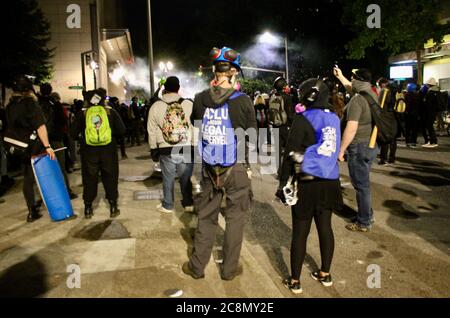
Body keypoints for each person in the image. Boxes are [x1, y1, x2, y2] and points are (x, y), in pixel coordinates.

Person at [183, 47, 257, 280]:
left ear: (213, 72)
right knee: (235, 220)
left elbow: (195, 131)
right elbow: (252, 139)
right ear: (234, 73)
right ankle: (228, 270)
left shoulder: (200, 99)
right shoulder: (244, 101)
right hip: (236, 168)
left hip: (208, 167)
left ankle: (197, 267)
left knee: (206, 217)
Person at [276, 78, 343, 294]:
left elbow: (290, 154)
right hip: (330, 180)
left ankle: (295, 280)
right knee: (325, 227)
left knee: (300, 232)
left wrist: (282, 182)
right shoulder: (334, 118)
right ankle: (325, 273)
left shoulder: (303, 118)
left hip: (307, 181)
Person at [4, 75, 55, 222]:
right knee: (43, 174)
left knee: (27, 177)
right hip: (34, 145)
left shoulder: (10, 105)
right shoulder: (30, 103)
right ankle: (51, 202)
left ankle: (31, 209)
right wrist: (48, 146)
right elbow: (40, 126)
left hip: (18, 146)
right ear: (29, 89)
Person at [334, 67, 378, 232]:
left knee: (361, 185)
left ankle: (364, 222)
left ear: (358, 80)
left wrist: (341, 149)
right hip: (371, 145)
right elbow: (351, 88)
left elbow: (351, 128)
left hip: (359, 146)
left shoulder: (357, 101)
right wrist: (341, 76)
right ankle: (367, 214)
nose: (350, 81)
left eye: (352, 78)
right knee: (364, 182)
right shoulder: (372, 93)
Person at [72, 89, 126, 219]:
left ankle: (88, 208)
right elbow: (122, 131)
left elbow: (72, 133)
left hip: (89, 151)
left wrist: (83, 138)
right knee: (110, 176)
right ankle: (113, 206)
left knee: (89, 178)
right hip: (108, 150)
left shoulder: (83, 114)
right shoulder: (110, 112)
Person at [147, 76, 194, 213]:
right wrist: (195, 145)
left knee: (168, 178)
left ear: (165, 88)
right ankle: (188, 203)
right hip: (185, 146)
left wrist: (153, 148)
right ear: (178, 88)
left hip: (165, 147)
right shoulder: (188, 104)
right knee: (185, 178)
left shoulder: (156, 106)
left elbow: (151, 130)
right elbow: (195, 127)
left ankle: (168, 205)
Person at [38, 84, 77, 199]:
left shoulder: (36, 104)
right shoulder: (55, 104)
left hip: (40, 141)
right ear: (51, 91)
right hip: (55, 139)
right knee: (60, 166)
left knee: (43, 169)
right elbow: (63, 121)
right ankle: (66, 191)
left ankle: (47, 194)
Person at [268, 77, 294, 177]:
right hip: (285, 127)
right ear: (283, 86)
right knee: (289, 149)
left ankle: (279, 173)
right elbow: (290, 114)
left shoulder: (272, 97)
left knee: (278, 151)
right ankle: (289, 172)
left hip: (275, 126)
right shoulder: (287, 97)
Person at [376, 78, 397, 166]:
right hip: (393, 115)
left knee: (384, 137)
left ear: (382, 84)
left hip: (384, 116)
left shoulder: (384, 91)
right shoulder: (393, 91)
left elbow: (380, 105)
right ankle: (392, 158)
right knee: (392, 138)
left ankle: (383, 159)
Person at [422, 78, 440, 148]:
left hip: (429, 113)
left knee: (429, 127)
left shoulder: (430, 93)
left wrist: (424, 101)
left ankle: (433, 142)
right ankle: (433, 141)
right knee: (430, 127)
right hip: (434, 112)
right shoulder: (436, 92)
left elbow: (428, 105)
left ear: (429, 85)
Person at [404, 83, 421, 148]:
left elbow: (406, 105)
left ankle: (407, 141)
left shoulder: (406, 95)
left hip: (408, 114)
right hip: (415, 114)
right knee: (414, 128)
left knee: (408, 128)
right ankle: (413, 141)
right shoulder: (417, 95)